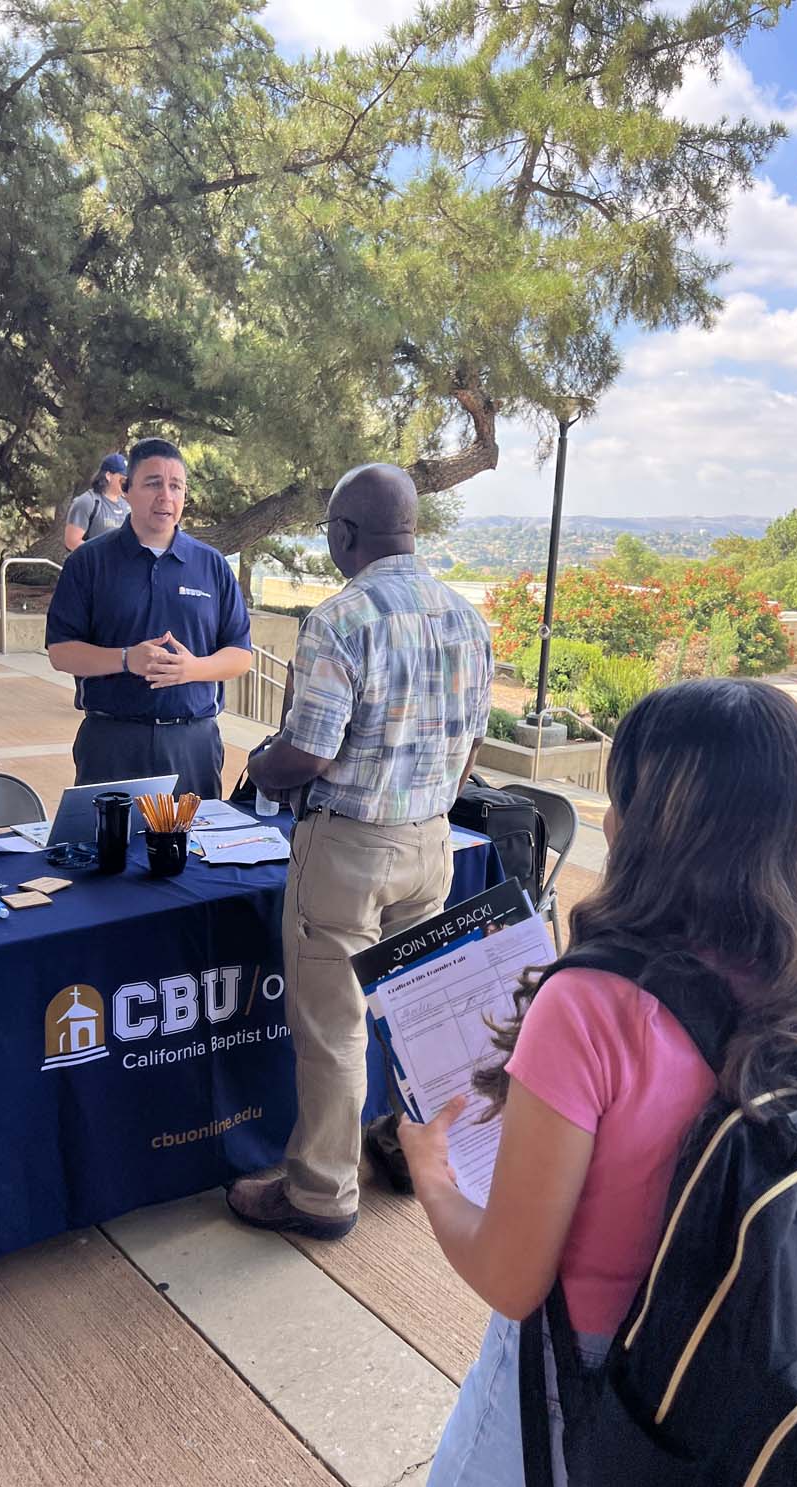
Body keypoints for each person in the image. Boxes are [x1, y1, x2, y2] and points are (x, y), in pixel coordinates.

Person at [396, 679, 797, 1487]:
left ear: (646, 812)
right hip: (756, 1354)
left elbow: (516, 1278)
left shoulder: (591, 1002)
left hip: (594, 1385)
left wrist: (432, 1175)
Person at [226, 462, 493, 1241]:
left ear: (345, 534)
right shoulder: (466, 617)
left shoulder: (341, 619)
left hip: (348, 851)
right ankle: (411, 1157)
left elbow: (308, 754)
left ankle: (319, 1194)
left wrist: (259, 763)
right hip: (432, 842)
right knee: (415, 1016)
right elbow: (471, 745)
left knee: (334, 1027)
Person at [44, 437, 252, 799]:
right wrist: (126, 659)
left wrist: (192, 669)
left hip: (192, 743)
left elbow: (240, 654)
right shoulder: (90, 562)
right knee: (105, 852)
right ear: (126, 489)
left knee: (191, 854)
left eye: (176, 486)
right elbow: (61, 652)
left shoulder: (211, 565)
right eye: (153, 483)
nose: (166, 497)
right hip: (112, 741)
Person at [63, 454, 130, 551]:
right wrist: (103, 554)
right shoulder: (88, 502)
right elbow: (71, 542)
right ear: (108, 476)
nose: (126, 482)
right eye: (122, 478)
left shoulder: (127, 505)